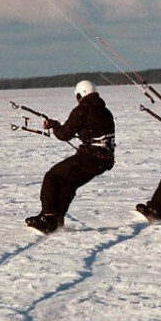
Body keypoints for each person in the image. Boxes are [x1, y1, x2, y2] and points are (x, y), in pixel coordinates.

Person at [26, 80, 115, 234]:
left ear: (81, 95)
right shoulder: (105, 111)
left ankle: (47, 218)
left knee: (52, 177)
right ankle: (56, 219)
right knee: (68, 185)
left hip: (89, 158)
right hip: (104, 160)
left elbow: (64, 134)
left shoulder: (82, 110)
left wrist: (53, 126)